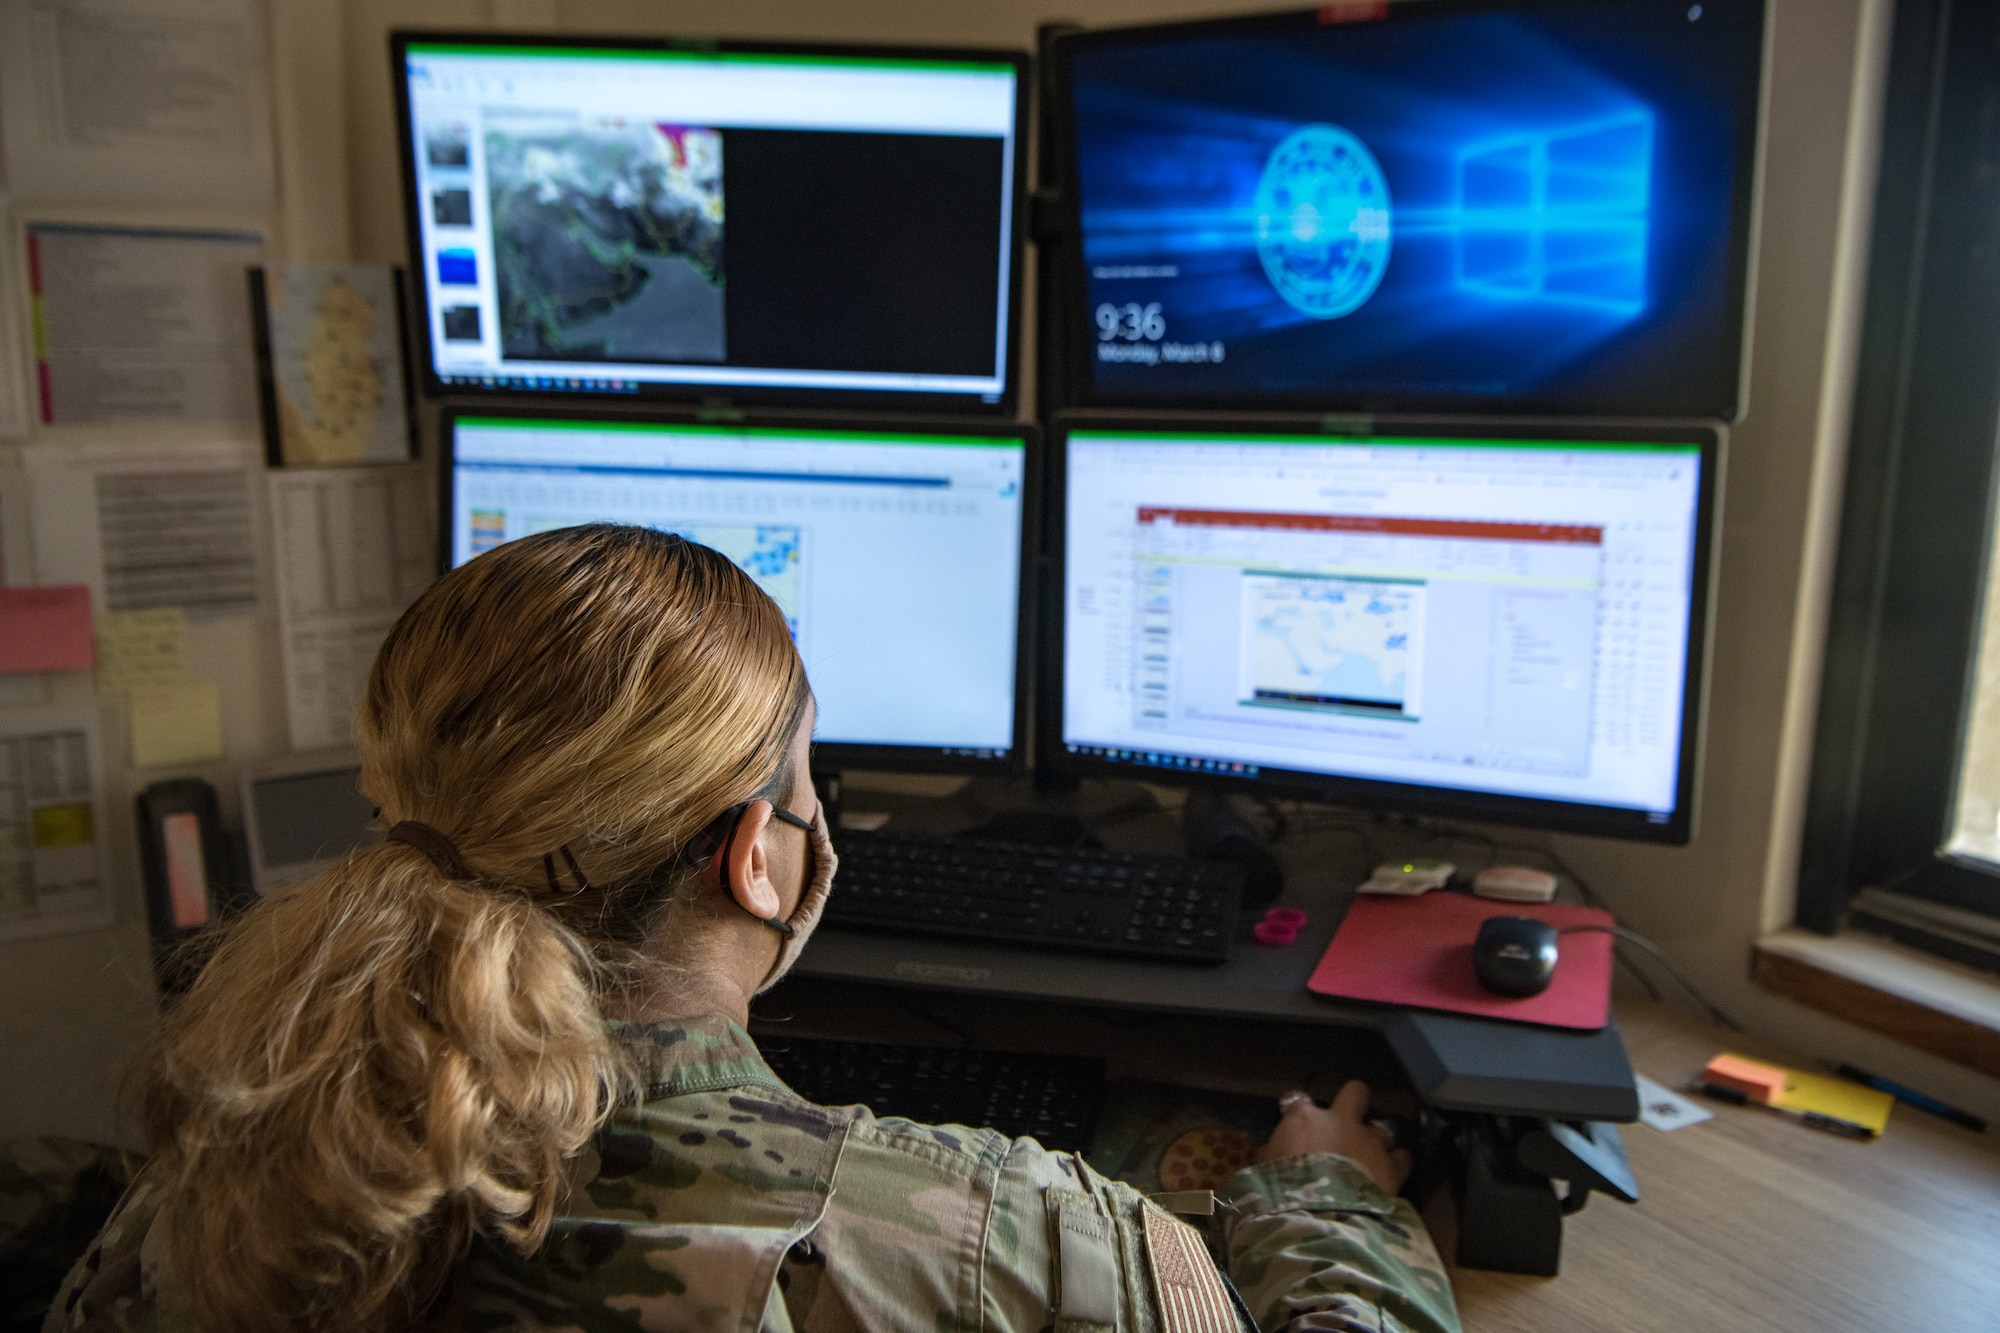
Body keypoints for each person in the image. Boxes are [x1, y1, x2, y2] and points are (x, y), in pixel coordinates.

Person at [47, 525, 1460, 1333]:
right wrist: (1327, 1197)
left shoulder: (220, 1197)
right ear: (758, 859)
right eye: (803, 783)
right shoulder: (998, 1241)